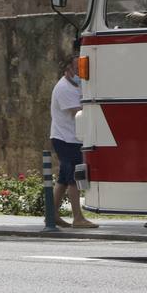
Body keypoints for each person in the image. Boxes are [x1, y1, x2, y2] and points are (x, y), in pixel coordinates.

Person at [50, 55, 97, 229]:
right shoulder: (63, 88)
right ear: (68, 69)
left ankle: (52, 214)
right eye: (76, 69)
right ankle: (78, 217)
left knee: (63, 179)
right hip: (65, 138)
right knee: (73, 179)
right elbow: (78, 111)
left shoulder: (76, 85)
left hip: (73, 137)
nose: (79, 72)